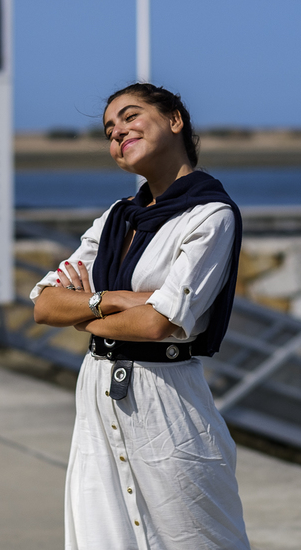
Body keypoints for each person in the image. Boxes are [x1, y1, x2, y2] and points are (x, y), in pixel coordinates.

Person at [32, 83, 250, 550]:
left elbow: (160, 324)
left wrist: (85, 312)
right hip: (97, 400)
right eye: (110, 129)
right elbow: (45, 304)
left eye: (130, 117)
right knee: (102, 537)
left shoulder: (209, 217)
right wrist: (118, 301)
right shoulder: (115, 218)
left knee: (196, 538)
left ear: (175, 120)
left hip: (166, 400)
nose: (117, 133)